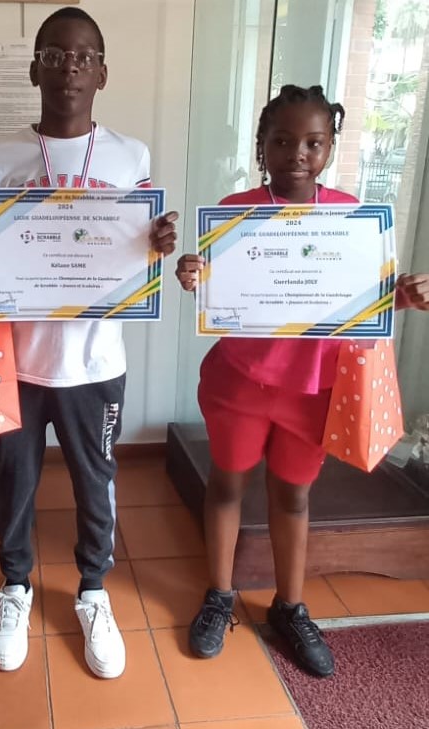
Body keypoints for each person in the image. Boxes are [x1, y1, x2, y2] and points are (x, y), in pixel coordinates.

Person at [0, 6, 177, 679]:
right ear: (34, 68)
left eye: (83, 56)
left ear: (102, 73)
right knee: (13, 481)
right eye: (55, 55)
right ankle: (15, 587)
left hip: (95, 360)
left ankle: (93, 591)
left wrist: (158, 243)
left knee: (97, 481)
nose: (69, 67)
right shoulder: (0, 157)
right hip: (14, 359)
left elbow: (136, 254)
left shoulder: (131, 156)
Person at [176, 84, 429, 678]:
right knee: (227, 486)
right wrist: (195, 273)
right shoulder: (236, 209)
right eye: (283, 141)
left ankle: (290, 606)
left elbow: (364, 295)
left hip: (313, 389)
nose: (297, 153)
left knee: (293, 495)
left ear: (330, 147)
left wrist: (404, 293)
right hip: (239, 383)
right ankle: (219, 595)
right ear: (261, 146)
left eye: (313, 143)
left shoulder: (352, 216)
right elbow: (216, 283)